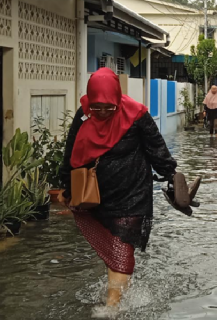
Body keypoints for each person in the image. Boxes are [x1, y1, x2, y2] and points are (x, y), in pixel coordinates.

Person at [57, 68, 184, 315]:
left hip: (132, 194)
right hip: (98, 197)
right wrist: (66, 186)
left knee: (122, 246)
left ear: (117, 98)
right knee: (113, 245)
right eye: (98, 108)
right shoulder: (84, 115)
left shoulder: (137, 115)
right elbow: (71, 152)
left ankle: (112, 307)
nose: (103, 112)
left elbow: (157, 148)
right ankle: (121, 291)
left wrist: (172, 178)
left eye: (109, 108)